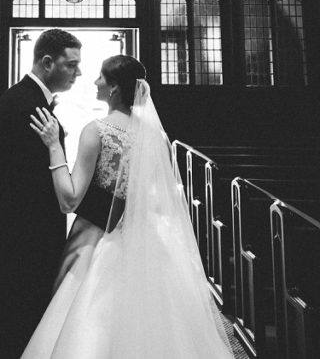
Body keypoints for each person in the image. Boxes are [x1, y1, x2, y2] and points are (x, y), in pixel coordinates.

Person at [22, 55, 234, 358]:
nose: (94, 82)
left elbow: (69, 200)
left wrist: (54, 146)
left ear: (114, 89)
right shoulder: (155, 135)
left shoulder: (96, 130)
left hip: (99, 238)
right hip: (147, 237)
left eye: (100, 77)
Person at [0, 29, 82, 359]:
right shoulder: (29, 109)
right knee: (11, 331)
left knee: (10, 328)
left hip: (13, 241)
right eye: (71, 64)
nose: (78, 73)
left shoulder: (22, 98)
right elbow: (30, 190)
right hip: (22, 245)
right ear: (48, 63)